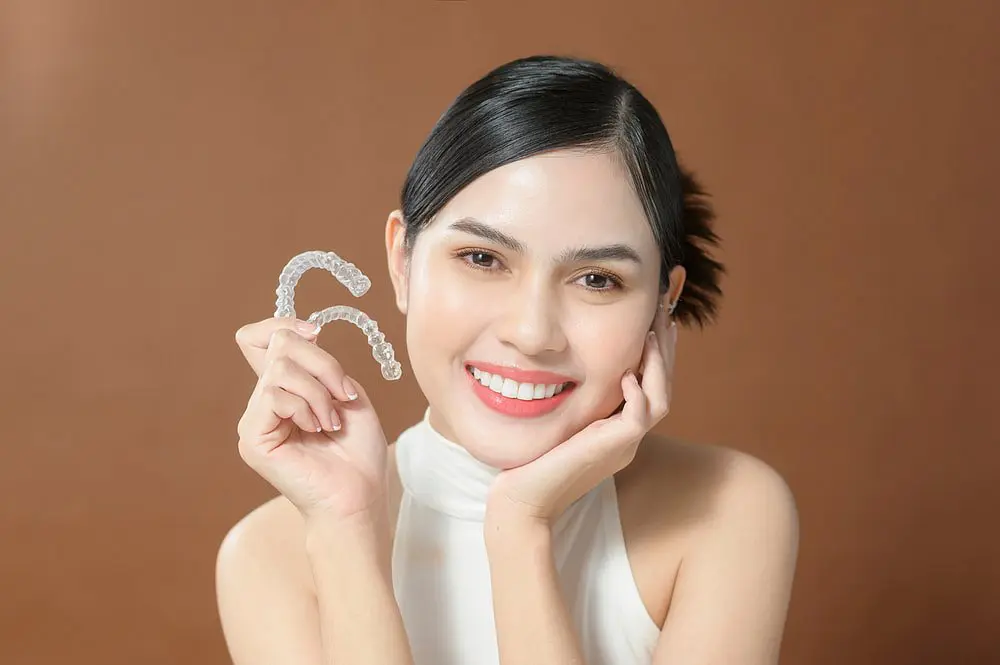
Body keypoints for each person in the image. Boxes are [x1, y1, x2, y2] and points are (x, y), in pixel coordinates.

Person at [215, 54, 799, 665]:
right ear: (402, 262)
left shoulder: (724, 511)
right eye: (483, 259)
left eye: (597, 278)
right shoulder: (269, 556)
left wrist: (521, 530)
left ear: (664, 301)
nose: (531, 332)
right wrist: (345, 532)